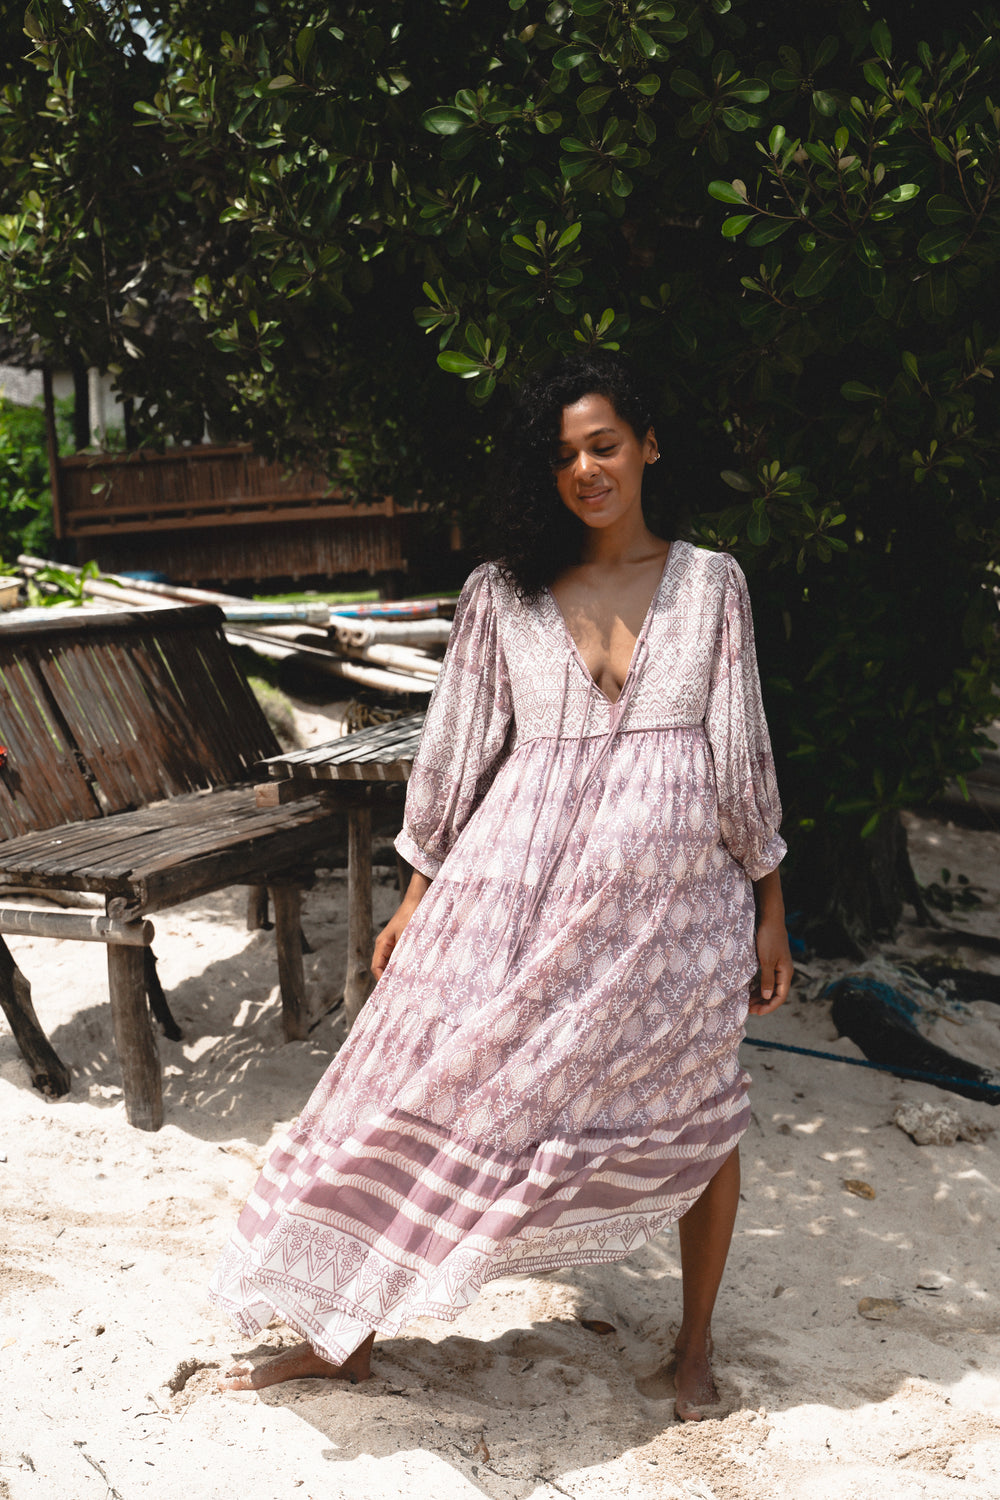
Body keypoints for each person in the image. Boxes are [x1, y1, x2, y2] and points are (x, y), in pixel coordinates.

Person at [209, 352, 793, 1422]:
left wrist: (769, 904)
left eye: (603, 444)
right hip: (514, 883)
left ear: (647, 445)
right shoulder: (501, 591)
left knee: (702, 1110)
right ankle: (348, 1335)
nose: (585, 468)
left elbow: (739, 748)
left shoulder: (713, 585)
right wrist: (416, 898)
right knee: (417, 1077)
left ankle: (693, 1347)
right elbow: (457, 752)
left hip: (674, 906)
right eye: (564, 454)